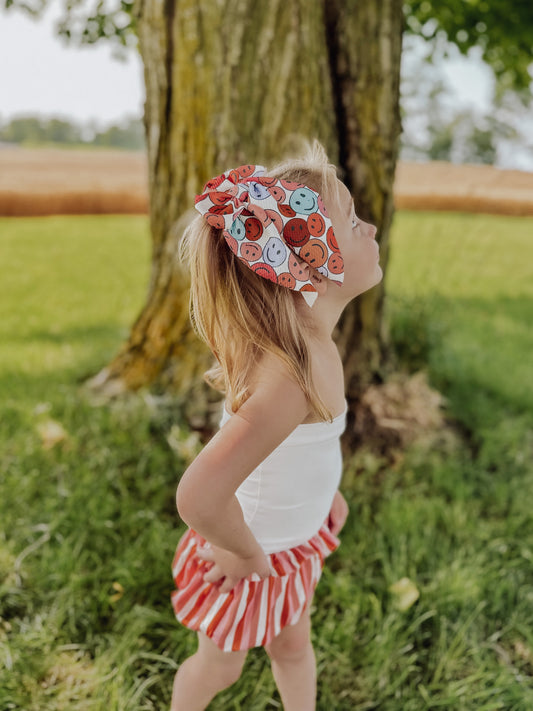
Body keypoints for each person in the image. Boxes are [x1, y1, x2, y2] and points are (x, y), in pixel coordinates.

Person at [170, 138, 383, 710]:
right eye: (353, 219)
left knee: (293, 647)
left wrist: (325, 497)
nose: (371, 228)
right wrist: (240, 554)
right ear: (313, 259)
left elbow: (307, 451)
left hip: (293, 548)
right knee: (218, 667)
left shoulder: (312, 347)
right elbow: (200, 494)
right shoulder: (289, 379)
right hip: (252, 552)